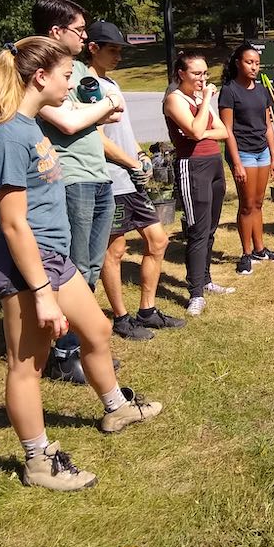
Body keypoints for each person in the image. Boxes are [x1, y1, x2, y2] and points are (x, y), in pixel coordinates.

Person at [0, 37, 162, 492]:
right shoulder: (5, 139)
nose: (70, 84)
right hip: (28, 266)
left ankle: (116, 407)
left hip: (54, 258)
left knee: (97, 331)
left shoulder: (30, 125)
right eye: (65, 76)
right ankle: (38, 460)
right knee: (26, 366)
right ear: (40, 77)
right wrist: (42, 294)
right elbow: (14, 225)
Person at [32, 0, 124, 381]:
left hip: (97, 175)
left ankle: (84, 346)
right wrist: (100, 106)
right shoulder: (37, 71)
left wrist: (96, 107)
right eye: (80, 30)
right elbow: (69, 122)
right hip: (71, 180)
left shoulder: (75, 72)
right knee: (70, 269)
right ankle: (64, 353)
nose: (85, 36)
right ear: (56, 32)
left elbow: (111, 109)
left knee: (89, 265)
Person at [83, 20, 186, 339]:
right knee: (114, 252)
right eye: (112, 50)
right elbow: (95, 137)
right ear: (93, 49)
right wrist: (132, 162)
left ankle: (147, 310)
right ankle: (122, 318)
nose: (118, 56)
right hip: (109, 181)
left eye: (119, 50)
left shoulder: (111, 83)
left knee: (158, 240)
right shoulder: (86, 84)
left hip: (129, 180)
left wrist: (139, 154)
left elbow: (121, 133)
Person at [163, 50, 233, 314]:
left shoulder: (196, 99)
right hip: (192, 167)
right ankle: (195, 293)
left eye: (205, 73)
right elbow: (193, 130)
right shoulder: (175, 99)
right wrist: (204, 104)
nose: (203, 79)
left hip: (213, 164)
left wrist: (200, 127)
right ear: (182, 74)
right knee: (197, 230)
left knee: (211, 228)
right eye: (196, 74)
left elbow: (223, 131)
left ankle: (206, 280)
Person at [219, 41, 274, 275]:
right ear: (238, 63)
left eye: (257, 63)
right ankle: (246, 253)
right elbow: (226, 130)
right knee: (247, 205)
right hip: (244, 153)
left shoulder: (261, 89)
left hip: (262, 153)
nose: (254, 67)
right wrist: (236, 162)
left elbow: (268, 125)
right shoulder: (229, 90)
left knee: (258, 203)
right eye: (249, 62)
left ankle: (260, 249)